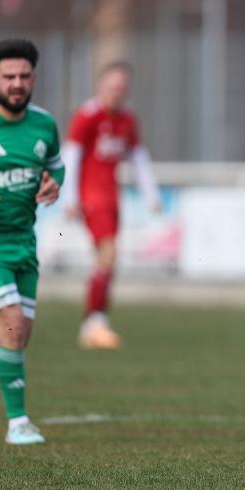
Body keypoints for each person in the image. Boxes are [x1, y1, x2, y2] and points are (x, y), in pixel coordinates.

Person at [60, 62, 161, 349]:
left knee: (107, 261)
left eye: (121, 87)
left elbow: (138, 157)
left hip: (112, 196)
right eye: (112, 86)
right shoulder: (88, 115)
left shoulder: (127, 118)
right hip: (92, 197)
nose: (117, 92)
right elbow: (72, 154)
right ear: (100, 86)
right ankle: (94, 322)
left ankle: (93, 323)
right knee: (108, 254)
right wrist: (69, 198)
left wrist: (150, 194)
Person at [0, 39, 65, 444]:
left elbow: (56, 169)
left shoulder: (44, 125)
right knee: (12, 322)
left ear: (34, 78)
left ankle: (19, 421)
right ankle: (18, 423)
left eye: (24, 76)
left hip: (25, 244)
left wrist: (54, 185)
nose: (16, 84)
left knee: (20, 335)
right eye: (8, 77)